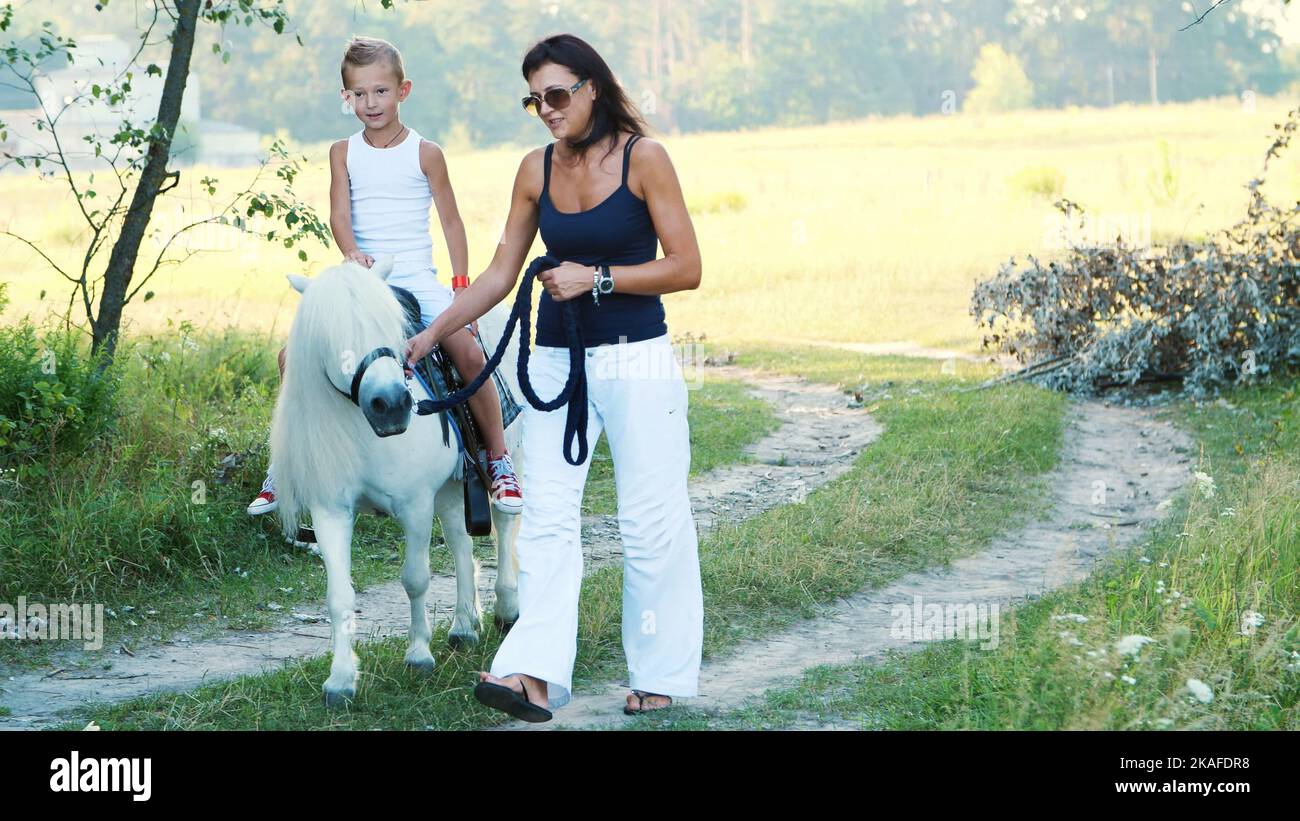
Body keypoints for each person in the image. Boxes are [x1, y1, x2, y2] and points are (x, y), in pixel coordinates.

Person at [404, 33, 703, 721]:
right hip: (556, 362)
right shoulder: (534, 171)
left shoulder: (644, 158)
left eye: (557, 94)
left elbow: (686, 266)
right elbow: (502, 272)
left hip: (637, 359)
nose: (546, 108)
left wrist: (597, 278)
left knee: (651, 519)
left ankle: (658, 673)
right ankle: (532, 675)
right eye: (534, 99)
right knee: (542, 518)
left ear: (592, 87)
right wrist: (433, 331)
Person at [248, 35, 523, 518]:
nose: (370, 103)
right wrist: (352, 253)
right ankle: (286, 465)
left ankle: (496, 458)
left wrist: (460, 290)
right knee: (294, 355)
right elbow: (339, 214)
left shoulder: (425, 152)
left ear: (403, 90)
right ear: (346, 97)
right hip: (364, 280)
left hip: (416, 278)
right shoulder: (342, 152)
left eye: (380, 91)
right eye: (358, 93)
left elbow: (452, 222)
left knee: (466, 350)